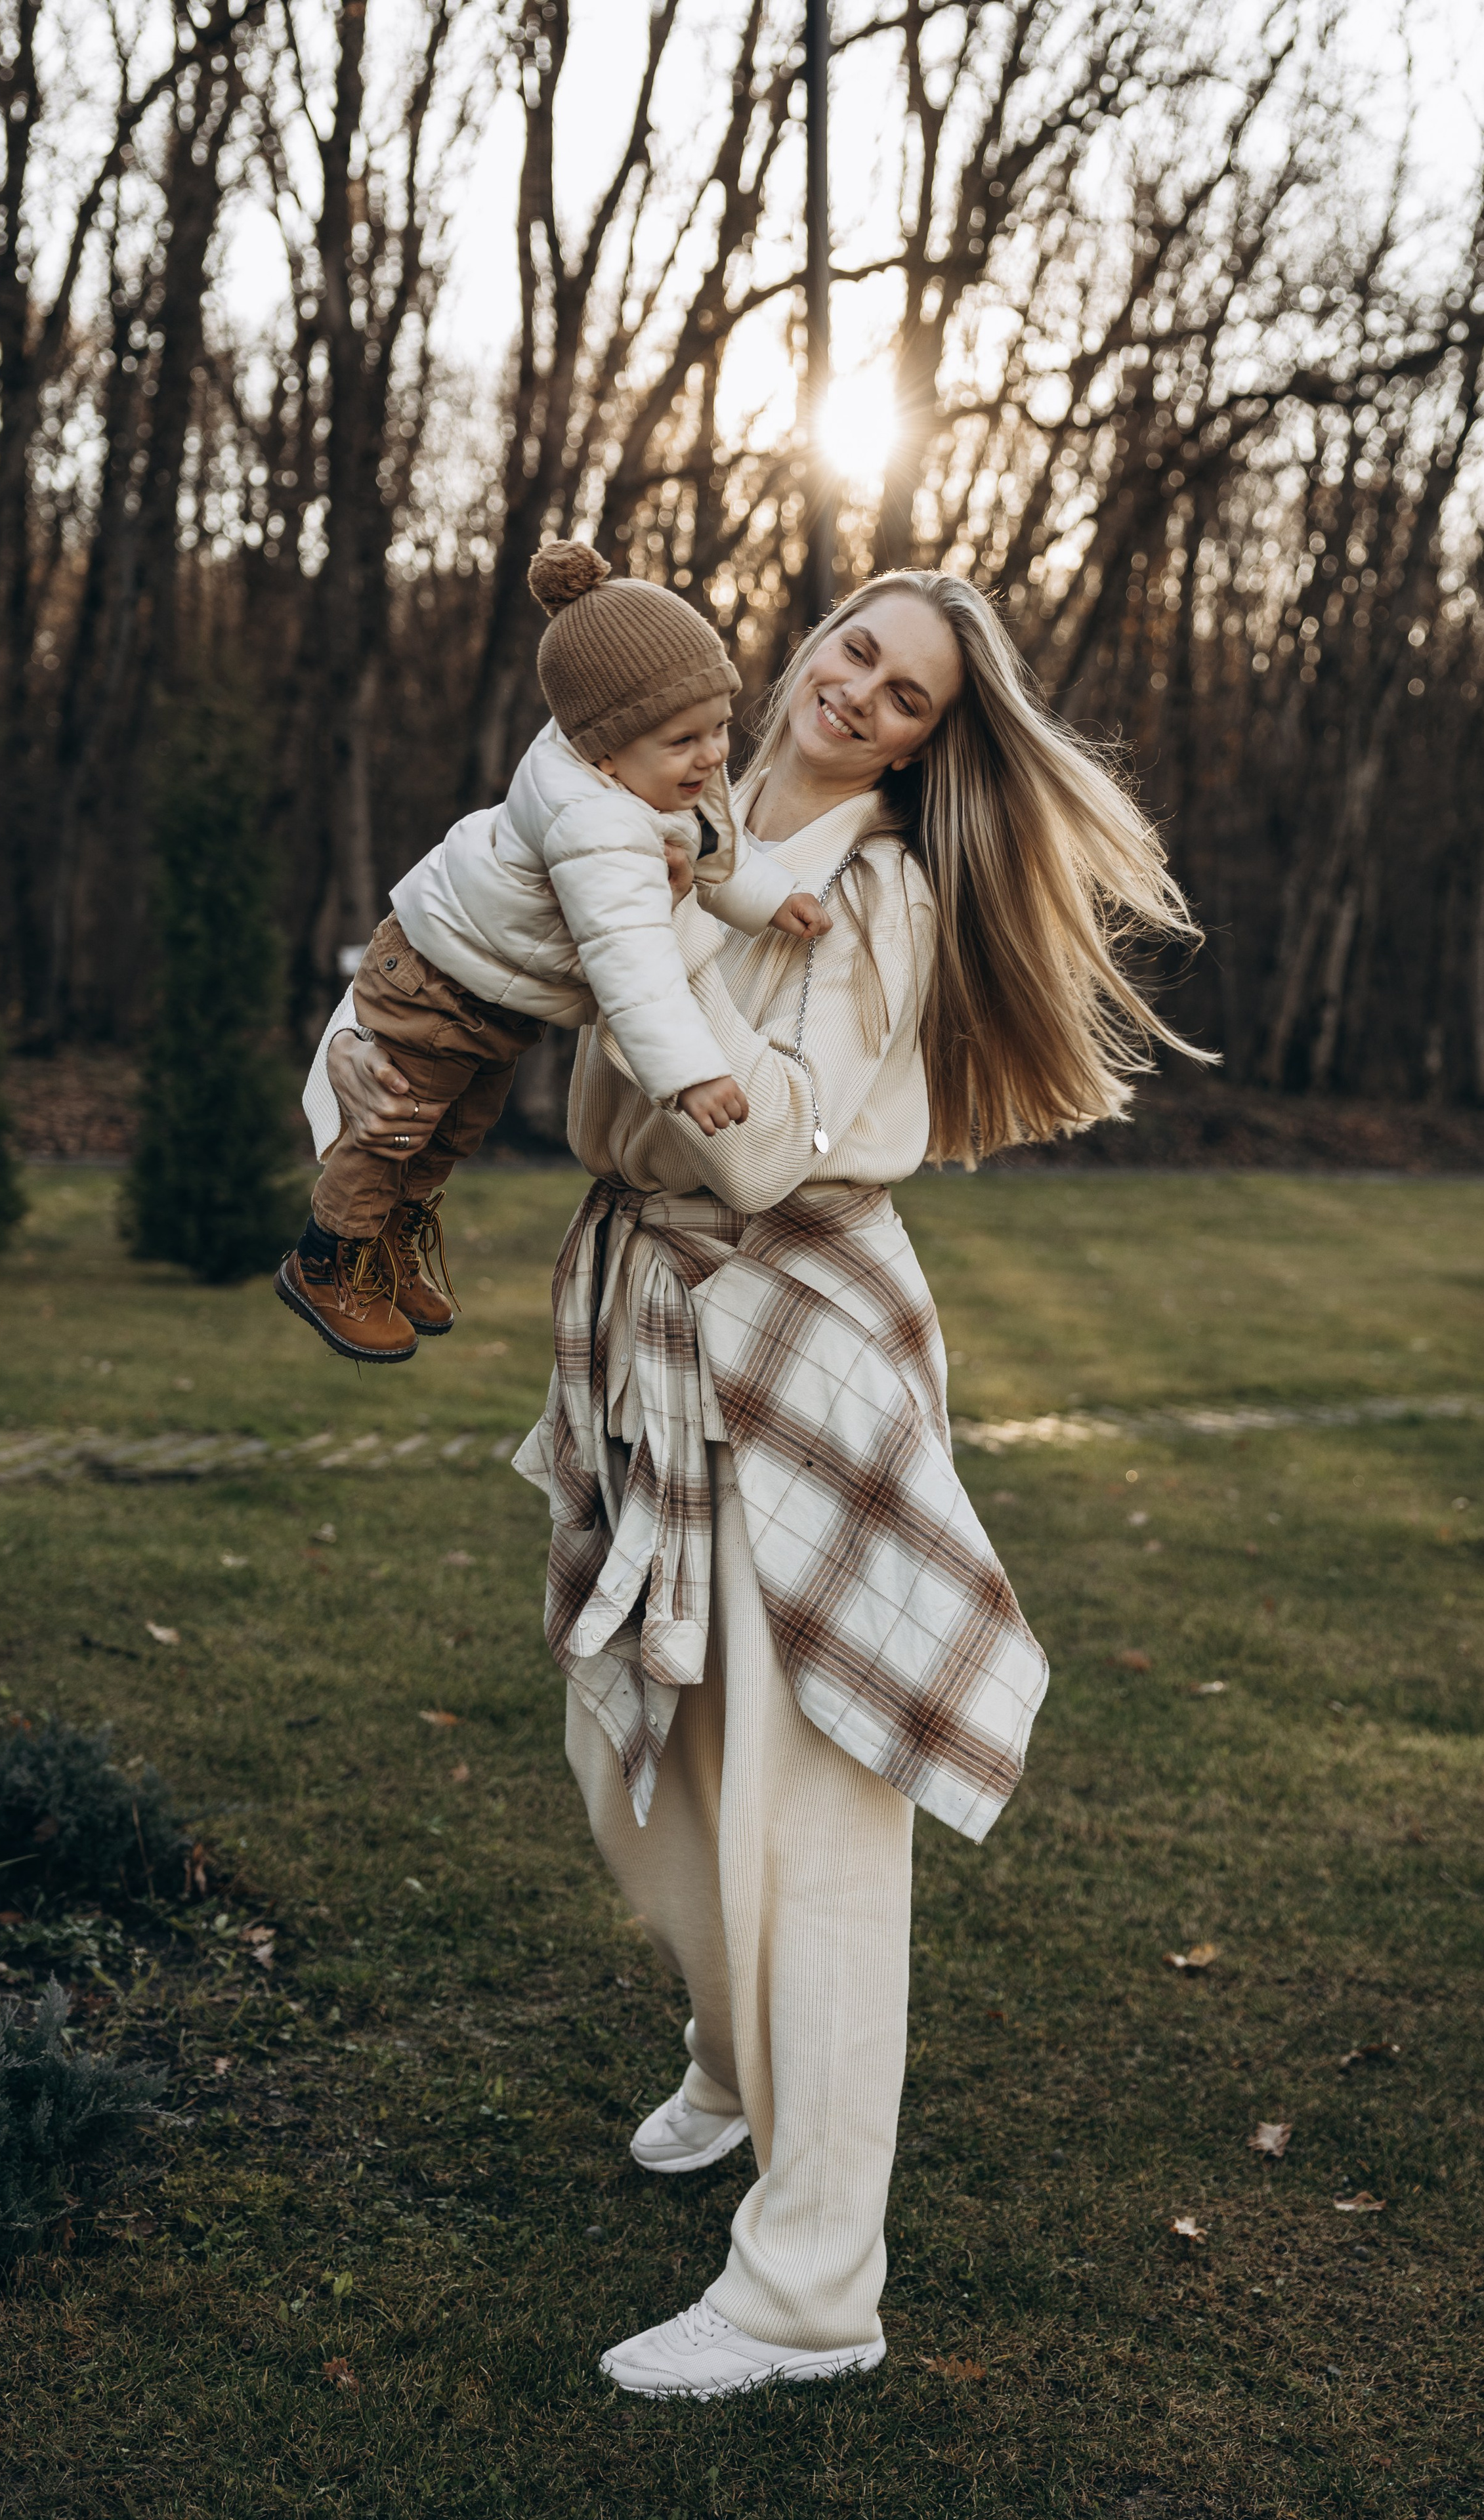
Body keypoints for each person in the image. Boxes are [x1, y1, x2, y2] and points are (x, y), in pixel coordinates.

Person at [320, 568, 1207, 2399]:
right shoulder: (680, 804)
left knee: (814, 1813)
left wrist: (680, 989)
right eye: (855, 650)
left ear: (932, 742)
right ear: (812, 642)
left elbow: (762, 1153)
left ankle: (811, 2292)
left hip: (797, 1319)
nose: (860, 692)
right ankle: (736, 2058)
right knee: (627, 1748)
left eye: (905, 698)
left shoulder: (876, 894)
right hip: (641, 1308)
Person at [282, 541, 830, 1364]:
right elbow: (631, 964)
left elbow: (716, 843)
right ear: (604, 751)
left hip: (488, 999)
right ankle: (329, 1258)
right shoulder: (597, 825)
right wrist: (690, 1072)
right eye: (688, 739)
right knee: (399, 1124)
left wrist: (765, 896)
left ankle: (389, 1238)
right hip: (436, 980)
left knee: (455, 1129)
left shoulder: (659, 764)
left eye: (719, 727)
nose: (714, 754)